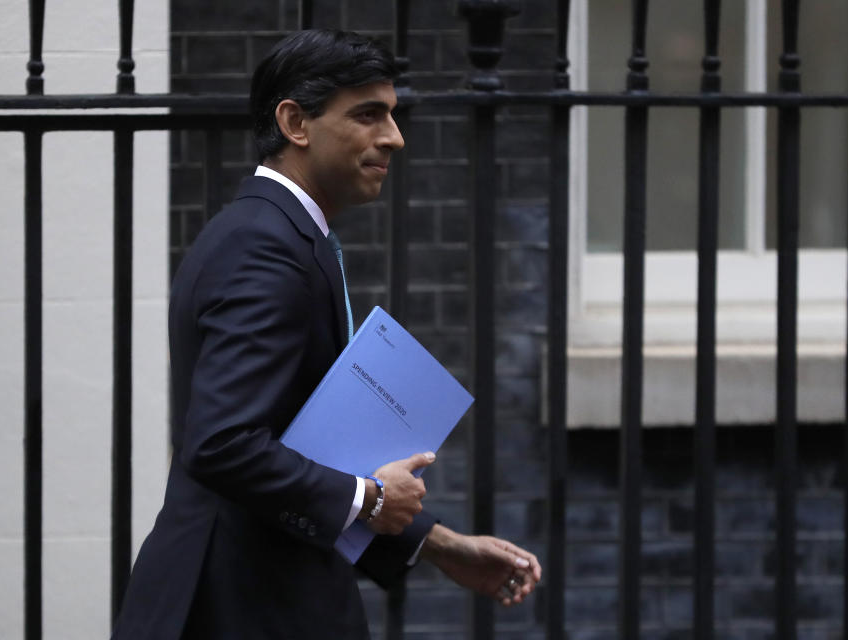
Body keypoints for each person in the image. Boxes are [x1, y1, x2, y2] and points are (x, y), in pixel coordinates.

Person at [111, 29, 541, 639]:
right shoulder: (264, 247)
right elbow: (223, 443)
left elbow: (301, 443)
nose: (394, 136)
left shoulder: (278, 234)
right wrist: (367, 498)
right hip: (234, 606)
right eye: (368, 114)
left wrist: (440, 544)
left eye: (391, 115)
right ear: (295, 122)